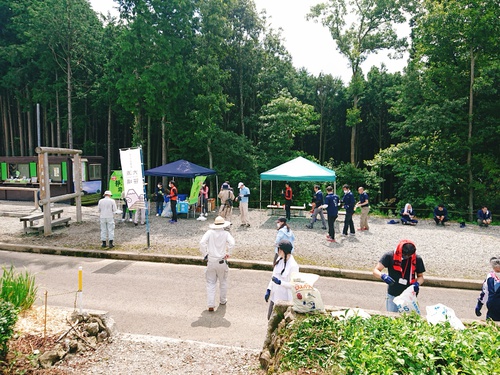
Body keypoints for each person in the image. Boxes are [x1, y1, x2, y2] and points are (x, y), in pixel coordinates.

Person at [373, 239, 425, 313]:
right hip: (393, 294)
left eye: (409, 255)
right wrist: (383, 276)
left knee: (408, 320)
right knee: (392, 318)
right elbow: (376, 270)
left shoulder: (417, 259)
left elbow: (421, 277)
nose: (406, 257)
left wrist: (417, 283)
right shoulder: (389, 256)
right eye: (404, 255)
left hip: (409, 296)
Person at [200, 216, 235, 312]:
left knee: (211, 282)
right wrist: (229, 253)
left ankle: (211, 304)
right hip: (222, 260)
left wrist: (205, 254)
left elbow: (202, 242)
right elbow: (232, 243)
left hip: (211, 260)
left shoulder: (209, 233)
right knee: (223, 281)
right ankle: (223, 300)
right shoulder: (226, 233)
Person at [264, 239, 299, 320]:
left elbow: (294, 285)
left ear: (284, 251)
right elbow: (274, 276)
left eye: (279, 249)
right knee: (270, 318)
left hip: (285, 300)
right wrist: (268, 289)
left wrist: (280, 283)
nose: (277, 251)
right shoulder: (279, 260)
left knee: (279, 322)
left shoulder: (293, 266)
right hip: (274, 297)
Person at [475, 256, 500, 321]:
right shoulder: (490, 278)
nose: (498, 273)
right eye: (496, 271)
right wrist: (479, 304)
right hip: (492, 311)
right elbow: (485, 292)